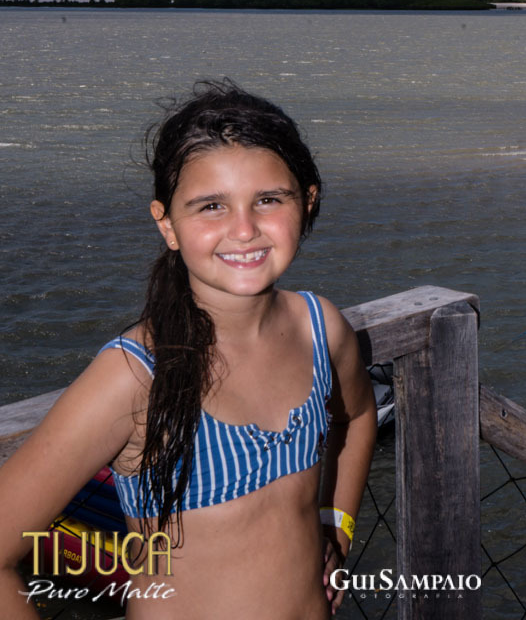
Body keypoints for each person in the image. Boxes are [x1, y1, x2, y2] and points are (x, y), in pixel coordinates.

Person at [0, 80, 377, 618]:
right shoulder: (134, 377)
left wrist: (334, 522)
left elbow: (358, 416)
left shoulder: (321, 328)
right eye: (211, 206)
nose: (244, 230)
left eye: (268, 199)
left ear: (308, 200)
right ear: (167, 224)